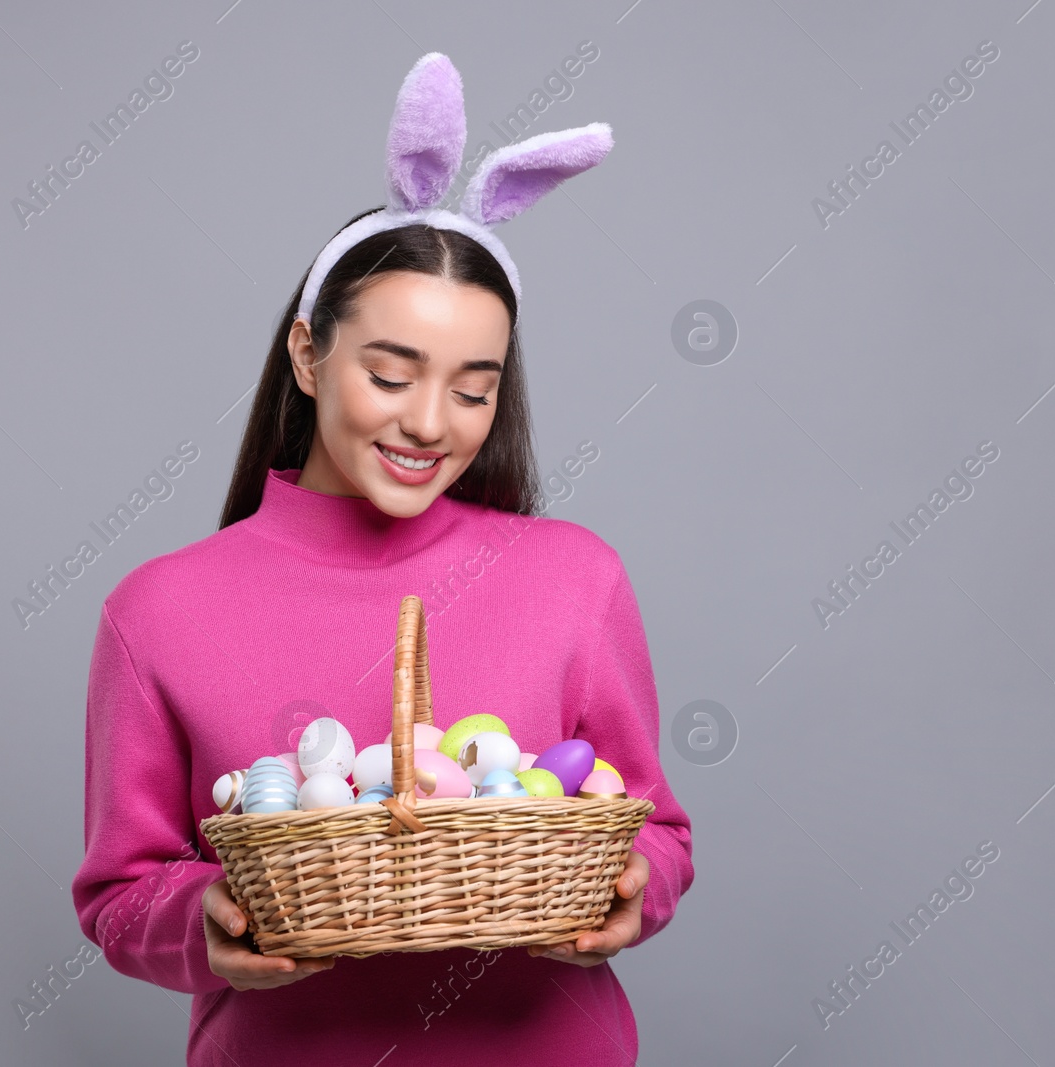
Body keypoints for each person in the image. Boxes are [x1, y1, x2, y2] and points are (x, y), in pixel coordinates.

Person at [71, 53, 693, 1064]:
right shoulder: (159, 610)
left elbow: (657, 830)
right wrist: (207, 920)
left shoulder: (576, 578)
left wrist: (635, 890)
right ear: (309, 356)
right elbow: (119, 891)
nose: (428, 423)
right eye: (391, 373)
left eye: (471, 387)